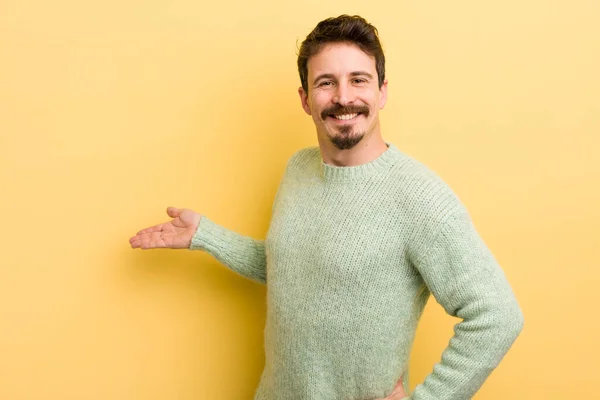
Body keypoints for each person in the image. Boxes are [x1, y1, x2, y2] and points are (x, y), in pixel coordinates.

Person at [129, 15, 524, 400]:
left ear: (382, 91)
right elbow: (298, 271)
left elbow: (498, 316)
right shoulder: (298, 168)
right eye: (326, 83)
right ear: (305, 99)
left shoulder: (420, 198)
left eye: (359, 80)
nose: (344, 97)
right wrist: (205, 236)